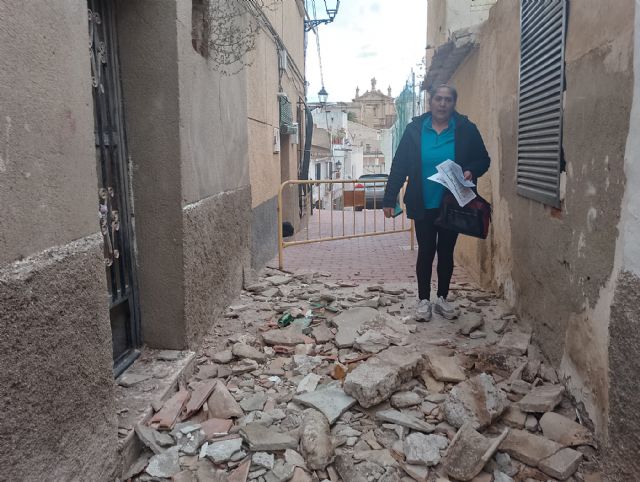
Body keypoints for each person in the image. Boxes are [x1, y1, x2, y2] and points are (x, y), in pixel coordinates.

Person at [383, 84, 490, 321]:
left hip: (452, 204)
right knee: (426, 251)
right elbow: (399, 165)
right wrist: (389, 198)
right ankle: (423, 300)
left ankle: (442, 298)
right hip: (423, 202)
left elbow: (484, 159)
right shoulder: (414, 130)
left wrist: (471, 170)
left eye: (448, 100)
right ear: (430, 102)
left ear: (453, 103)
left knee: (446, 251)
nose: (443, 104)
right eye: (438, 99)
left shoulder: (465, 129)